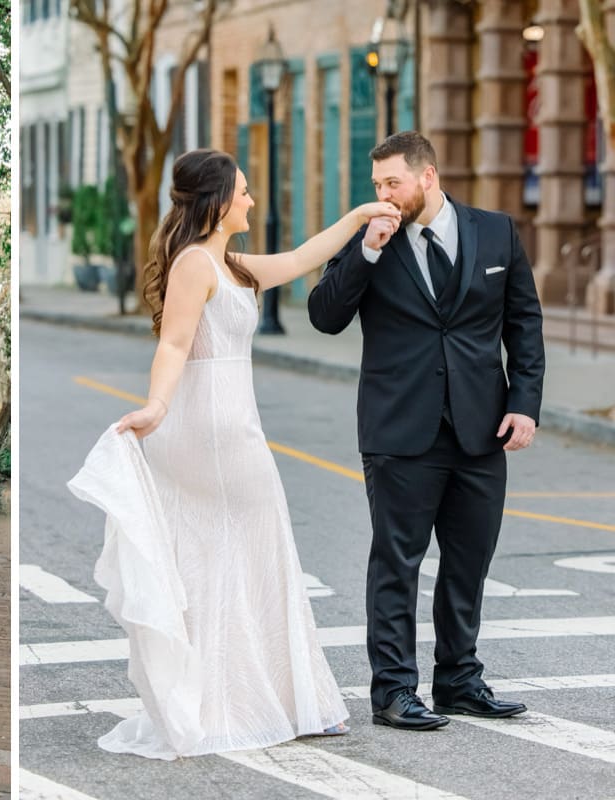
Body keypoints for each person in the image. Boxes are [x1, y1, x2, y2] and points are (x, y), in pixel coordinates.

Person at [70, 148, 401, 759]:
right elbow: (174, 343)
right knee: (257, 548)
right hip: (213, 428)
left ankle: (252, 697)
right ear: (219, 201)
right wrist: (157, 407)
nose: (251, 200)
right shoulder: (197, 263)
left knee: (226, 556)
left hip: (228, 422)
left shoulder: (229, 263)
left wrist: (358, 218)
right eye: (243, 192)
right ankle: (267, 701)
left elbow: (304, 258)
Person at [308, 131, 545, 731]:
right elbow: (324, 315)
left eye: (393, 183)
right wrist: (364, 252)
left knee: (468, 562)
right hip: (399, 431)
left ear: (428, 177)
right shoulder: (372, 242)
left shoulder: (495, 232)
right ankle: (393, 690)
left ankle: (460, 680)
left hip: (480, 428)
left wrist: (525, 403)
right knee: (397, 564)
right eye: (377, 185)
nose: (383, 195)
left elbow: (524, 323)